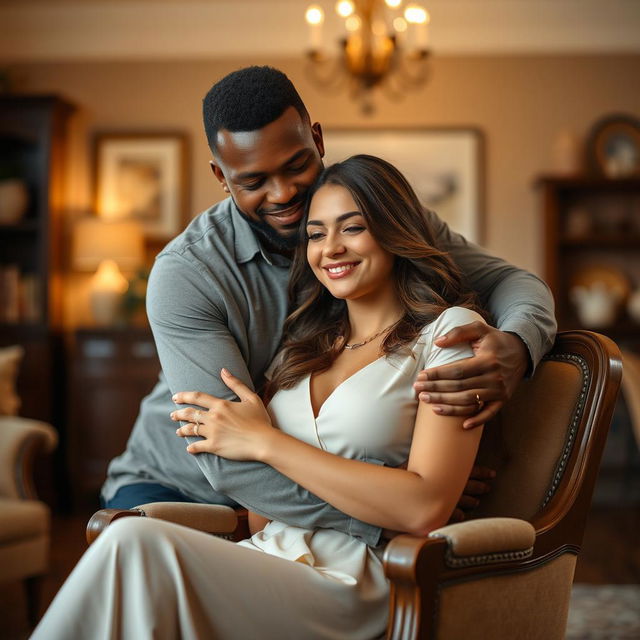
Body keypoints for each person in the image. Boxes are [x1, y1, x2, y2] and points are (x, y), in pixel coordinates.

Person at [34, 154, 490, 639]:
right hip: (267, 555)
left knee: (134, 546)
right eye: (316, 234)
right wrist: (374, 493)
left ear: (394, 231)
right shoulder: (305, 348)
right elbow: (258, 512)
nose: (331, 248)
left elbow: (424, 507)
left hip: (355, 579)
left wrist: (265, 443)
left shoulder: (450, 336)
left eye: (352, 228)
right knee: (131, 555)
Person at [101, 66, 556, 544]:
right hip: (178, 484)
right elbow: (225, 455)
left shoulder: (381, 220)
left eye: (295, 165)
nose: (283, 194)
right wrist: (396, 509)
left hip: (295, 500)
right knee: (133, 557)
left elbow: (511, 280)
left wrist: (519, 344)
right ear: (221, 176)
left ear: (317, 140)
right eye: (254, 181)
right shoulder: (188, 273)